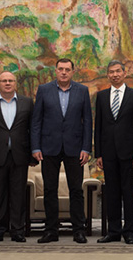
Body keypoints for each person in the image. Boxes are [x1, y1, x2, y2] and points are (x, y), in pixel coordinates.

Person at [31, 58, 93, 244]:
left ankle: (78, 231)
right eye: (60, 69)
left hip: (75, 149)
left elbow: (88, 121)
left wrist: (86, 148)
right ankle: (51, 231)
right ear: (55, 71)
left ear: (73, 71)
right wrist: (35, 147)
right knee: (50, 190)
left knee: (76, 191)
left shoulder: (82, 91)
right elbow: (36, 121)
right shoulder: (44, 90)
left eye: (67, 69)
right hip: (49, 148)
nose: (64, 72)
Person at [94, 60, 133, 244]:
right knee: (112, 193)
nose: (114, 74)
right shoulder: (101, 96)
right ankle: (113, 231)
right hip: (108, 154)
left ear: (124, 73)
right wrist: (98, 154)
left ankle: (130, 232)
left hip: (129, 154)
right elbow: (98, 126)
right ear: (107, 75)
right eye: (111, 72)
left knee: (128, 192)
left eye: (118, 71)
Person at [0, 71, 35, 243]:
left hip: (20, 155)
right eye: (3, 81)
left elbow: (33, 129)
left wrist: (33, 153)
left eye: (10, 80)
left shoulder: (27, 102)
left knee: (18, 194)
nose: (7, 83)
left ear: (15, 84)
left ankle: (17, 230)